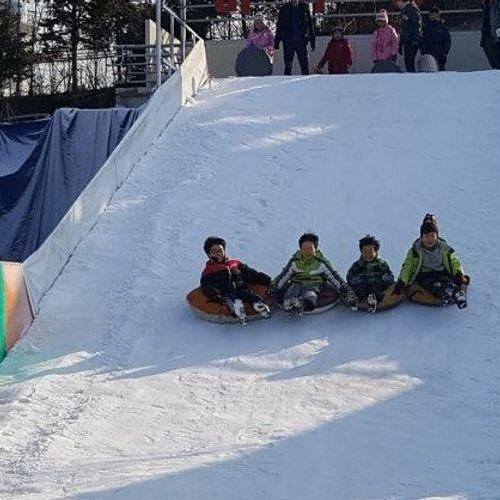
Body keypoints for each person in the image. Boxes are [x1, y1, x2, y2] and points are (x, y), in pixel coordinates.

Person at [272, 233, 358, 315]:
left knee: (310, 294)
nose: (307, 252)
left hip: (314, 285)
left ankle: (303, 304)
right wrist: (274, 287)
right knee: (292, 290)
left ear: (315, 249)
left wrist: (344, 289)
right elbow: (284, 275)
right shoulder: (295, 261)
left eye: (310, 249)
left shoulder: (321, 263)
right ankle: (289, 303)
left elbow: (333, 276)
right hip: (296, 283)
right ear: (300, 249)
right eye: (304, 249)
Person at [393, 214, 468, 309]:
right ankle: (444, 294)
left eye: (432, 236)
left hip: (441, 272)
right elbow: (408, 266)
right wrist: (402, 281)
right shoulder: (415, 251)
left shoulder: (444, 248)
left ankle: (457, 293)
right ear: (421, 237)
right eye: (426, 236)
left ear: (437, 236)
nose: (430, 239)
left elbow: (454, 261)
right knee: (434, 285)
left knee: (447, 281)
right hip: (425, 275)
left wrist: (459, 274)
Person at [200, 236, 272, 323]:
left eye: (220, 250)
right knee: (232, 298)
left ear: (224, 251)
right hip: (226, 292)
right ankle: (238, 309)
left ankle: (259, 305)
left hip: (241, 288)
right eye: (214, 251)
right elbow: (206, 285)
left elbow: (250, 273)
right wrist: (215, 294)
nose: (218, 253)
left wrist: (266, 279)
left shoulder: (233, 263)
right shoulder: (209, 270)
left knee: (250, 295)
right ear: (209, 255)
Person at [346, 235, 395, 313]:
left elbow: (390, 275)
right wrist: (354, 279)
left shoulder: (381, 264)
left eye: (370, 252)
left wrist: (386, 278)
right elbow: (350, 275)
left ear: (376, 252)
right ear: (361, 252)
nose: (368, 255)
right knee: (359, 289)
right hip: (363, 283)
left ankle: (372, 300)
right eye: (365, 252)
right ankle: (354, 299)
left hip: (376, 282)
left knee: (377, 289)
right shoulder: (358, 264)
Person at [274, 0, 315, 75]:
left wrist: (312, 40)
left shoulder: (304, 7)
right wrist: (276, 41)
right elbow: (279, 25)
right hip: (288, 41)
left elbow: (309, 24)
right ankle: (287, 84)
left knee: (304, 66)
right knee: (288, 66)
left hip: (301, 41)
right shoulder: (284, 8)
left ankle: (307, 83)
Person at [421, 5, 451, 71]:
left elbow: (447, 40)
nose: (431, 16)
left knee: (441, 71)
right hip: (429, 55)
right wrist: (424, 51)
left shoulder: (442, 27)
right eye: (430, 14)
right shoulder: (426, 27)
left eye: (433, 14)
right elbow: (422, 40)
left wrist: (445, 52)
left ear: (437, 15)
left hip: (440, 55)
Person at [396, 0, 422, 72]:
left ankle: (412, 78)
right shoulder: (403, 11)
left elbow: (417, 25)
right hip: (406, 41)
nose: (397, 4)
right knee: (407, 62)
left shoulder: (412, 9)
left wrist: (415, 39)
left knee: (410, 61)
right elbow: (403, 29)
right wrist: (400, 44)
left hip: (412, 41)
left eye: (398, 1)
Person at [481, 0, 500, 69]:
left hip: (496, 35)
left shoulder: (496, 3)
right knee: (493, 59)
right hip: (487, 36)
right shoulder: (485, 4)